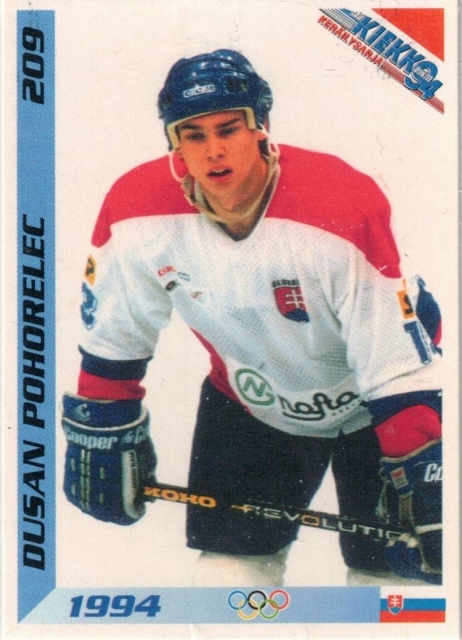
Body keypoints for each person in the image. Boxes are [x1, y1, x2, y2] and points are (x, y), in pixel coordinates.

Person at [62, 49, 442, 586]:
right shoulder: (135, 209)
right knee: (224, 581)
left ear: (261, 127)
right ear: (173, 142)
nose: (214, 151)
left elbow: (395, 363)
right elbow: (116, 336)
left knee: (388, 586)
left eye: (228, 129)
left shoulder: (339, 204)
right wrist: (103, 424)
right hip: (252, 402)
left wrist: (426, 466)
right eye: (193, 135)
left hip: (383, 405)